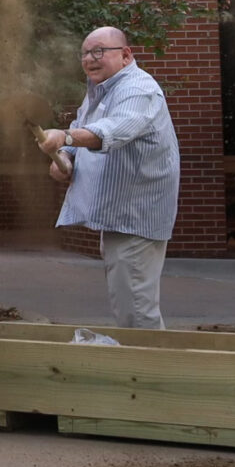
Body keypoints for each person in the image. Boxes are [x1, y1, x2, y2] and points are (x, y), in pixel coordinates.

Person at [38, 26, 179, 330]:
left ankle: (150, 371)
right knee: (128, 301)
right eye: (86, 53)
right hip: (119, 217)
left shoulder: (137, 89)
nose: (90, 59)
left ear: (126, 55)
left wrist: (64, 137)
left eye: (99, 51)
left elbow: (114, 131)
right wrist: (65, 157)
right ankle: (141, 369)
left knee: (137, 310)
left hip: (135, 218)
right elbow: (82, 126)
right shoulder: (101, 90)